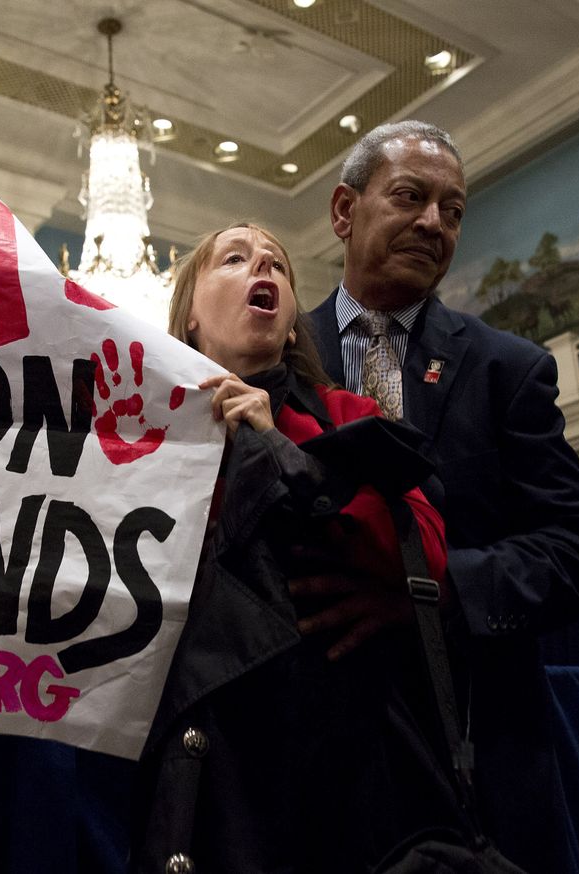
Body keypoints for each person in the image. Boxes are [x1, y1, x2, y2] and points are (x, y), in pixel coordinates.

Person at [307, 120, 579, 873]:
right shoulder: (274, 354)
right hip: (309, 770)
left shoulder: (510, 369)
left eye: (453, 209)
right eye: (411, 197)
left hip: (480, 770)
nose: (433, 223)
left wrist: (437, 589)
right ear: (345, 211)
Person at [134, 223, 461, 873]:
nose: (263, 266)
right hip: (176, 754)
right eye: (234, 258)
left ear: (289, 329)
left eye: (277, 264)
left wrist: (273, 443)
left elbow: (424, 553)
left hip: (320, 758)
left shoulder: (350, 417)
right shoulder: (137, 430)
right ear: (189, 317)